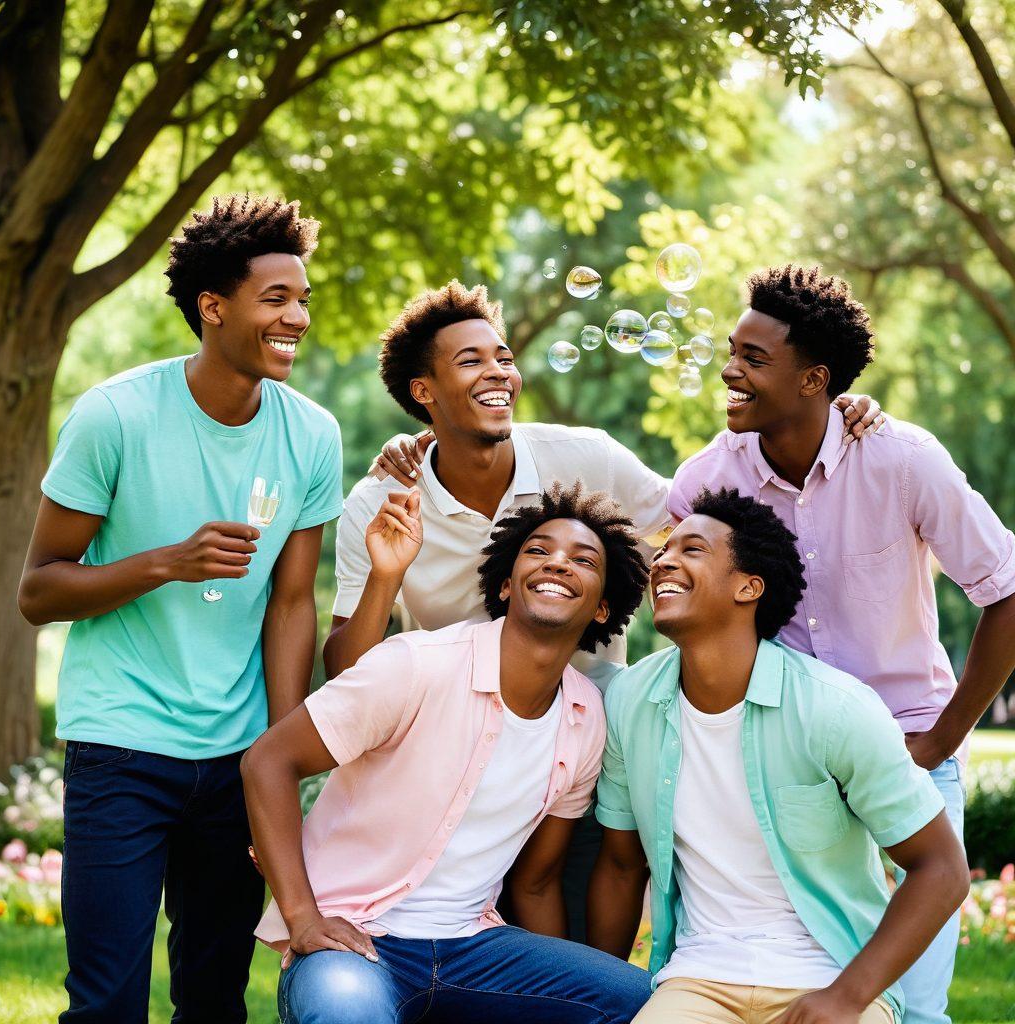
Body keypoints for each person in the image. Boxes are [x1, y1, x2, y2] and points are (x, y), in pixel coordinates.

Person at [328, 279, 881, 939]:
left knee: (573, 937)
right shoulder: (381, 503)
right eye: (471, 361)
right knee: (446, 940)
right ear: (424, 391)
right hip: (450, 758)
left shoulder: (586, 458)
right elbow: (346, 672)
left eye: (504, 357)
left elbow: (704, 526)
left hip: (583, 748)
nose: (500, 372)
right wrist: (386, 576)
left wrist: (818, 415)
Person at [18, 195, 343, 1024]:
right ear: (213, 306)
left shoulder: (311, 435)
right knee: (107, 1002)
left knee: (215, 1000)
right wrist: (167, 562)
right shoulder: (115, 415)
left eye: (303, 299)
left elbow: (292, 603)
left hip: (237, 757)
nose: (298, 318)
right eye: (277, 298)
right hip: (120, 745)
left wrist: (278, 756)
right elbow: (39, 589)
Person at [665, 264, 1015, 1024]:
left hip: (910, 751)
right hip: (786, 762)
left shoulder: (903, 459)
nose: (730, 371)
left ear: (814, 379)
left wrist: (944, 736)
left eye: (755, 358)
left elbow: (1007, 592)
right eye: (732, 352)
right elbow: (662, 582)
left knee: (917, 1007)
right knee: (801, 987)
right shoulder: (706, 482)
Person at [242, 483, 654, 1024]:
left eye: (583, 560)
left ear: (603, 607)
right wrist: (302, 916)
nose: (557, 562)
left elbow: (535, 883)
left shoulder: (585, 718)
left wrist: (560, 994)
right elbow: (268, 760)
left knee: (648, 1003)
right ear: (505, 584)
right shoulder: (418, 665)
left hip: (474, 947)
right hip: (356, 942)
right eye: (538, 550)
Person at [589, 487, 969, 1024]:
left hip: (831, 978)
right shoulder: (630, 701)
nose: (663, 561)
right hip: (697, 979)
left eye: (692, 549)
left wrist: (847, 998)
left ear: (749, 586)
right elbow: (621, 866)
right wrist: (599, 992)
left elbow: (943, 868)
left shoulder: (833, 709)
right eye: (665, 549)